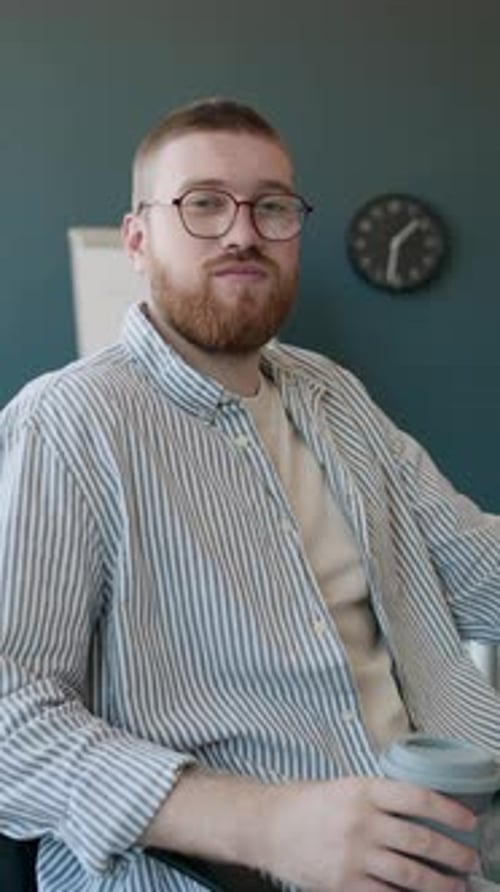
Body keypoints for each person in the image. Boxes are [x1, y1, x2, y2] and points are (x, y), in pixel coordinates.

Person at [0, 97, 499, 892]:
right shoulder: (69, 423)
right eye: (202, 204)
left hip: (447, 848)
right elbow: (8, 719)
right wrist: (268, 824)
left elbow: (479, 571)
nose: (242, 231)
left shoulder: (334, 396)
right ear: (137, 239)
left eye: (271, 207)